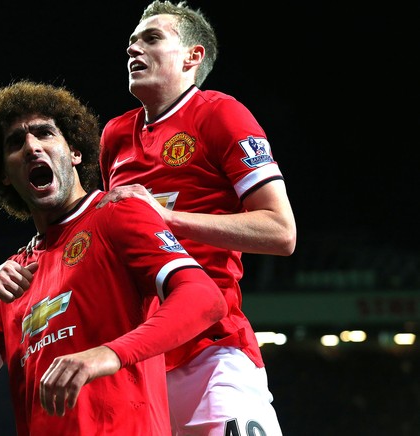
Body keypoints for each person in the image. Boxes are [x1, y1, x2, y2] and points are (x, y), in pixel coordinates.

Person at [0, 80, 228, 436]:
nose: (32, 147)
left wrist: (109, 354)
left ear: (75, 152)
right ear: (4, 176)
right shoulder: (12, 279)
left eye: (44, 134)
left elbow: (205, 299)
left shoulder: (116, 214)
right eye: (15, 142)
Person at [97, 2, 297, 435]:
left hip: (212, 351)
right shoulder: (114, 136)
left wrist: (165, 219)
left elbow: (281, 232)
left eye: (152, 39)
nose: (134, 48)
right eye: (131, 42)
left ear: (193, 56)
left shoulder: (220, 113)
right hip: (139, 363)